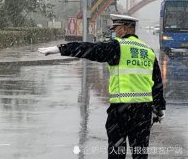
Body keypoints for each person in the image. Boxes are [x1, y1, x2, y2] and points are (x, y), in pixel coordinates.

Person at [38, 14, 166, 159]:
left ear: (124, 29)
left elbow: (89, 49)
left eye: (116, 29)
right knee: (140, 153)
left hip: (121, 110)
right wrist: (159, 108)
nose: (115, 32)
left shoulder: (118, 47)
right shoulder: (148, 50)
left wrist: (60, 49)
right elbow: (157, 83)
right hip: (143, 111)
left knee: (116, 153)